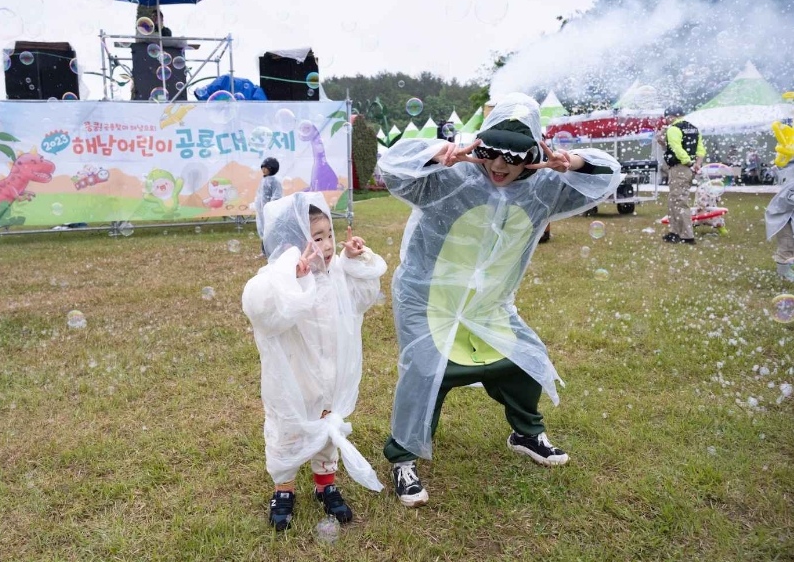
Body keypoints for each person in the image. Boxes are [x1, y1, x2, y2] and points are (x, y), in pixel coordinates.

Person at [377, 93, 621, 508]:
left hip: (488, 304)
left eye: (514, 157)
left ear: (534, 153)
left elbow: (606, 176)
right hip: (428, 296)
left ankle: (525, 433)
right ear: (479, 146)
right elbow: (392, 170)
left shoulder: (546, 188)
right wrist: (438, 153)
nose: (500, 167)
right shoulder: (449, 178)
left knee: (524, 359)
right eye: (492, 153)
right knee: (426, 371)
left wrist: (571, 162)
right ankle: (403, 459)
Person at [241, 193, 387, 531]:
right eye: (315, 239)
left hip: (331, 373)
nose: (326, 245)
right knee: (287, 432)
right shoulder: (278, 283)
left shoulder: (338, 274)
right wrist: (288, 279)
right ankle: (284, 489)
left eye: (329, 235)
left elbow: (362, 300)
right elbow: (261, 309)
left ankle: (325, 484)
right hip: (293, 379)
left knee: (326, 429)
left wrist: (357, 261)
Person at [660, 107, 706, 245]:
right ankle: (674, 232)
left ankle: (687, 236)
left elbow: (677, 149)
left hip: (680, 167)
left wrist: (688, 162)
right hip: (689, 169)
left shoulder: (673, 129)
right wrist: (697, 163)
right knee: (674, 199)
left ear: (671, 117)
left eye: (667, 118)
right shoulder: (693, 128)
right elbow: (701, 149)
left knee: (679, 201)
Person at [766, 129, 794, 282]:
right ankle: (783, 272)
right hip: (783, 218)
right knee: (787, 244)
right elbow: (788, 196)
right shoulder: (790, 174)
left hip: (790, 215)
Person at [254, 157, 283, 258]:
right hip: (262, 211)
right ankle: (264, 251)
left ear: (272, 168)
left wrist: (271, 206)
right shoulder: (264, 180)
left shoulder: (274, 181)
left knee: (271, 231)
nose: (263, 169)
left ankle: (274, 251)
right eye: (262, 167)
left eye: (266, 167)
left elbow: (277, 195)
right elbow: (260, 195)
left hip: (269, 210)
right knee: (264, 230)